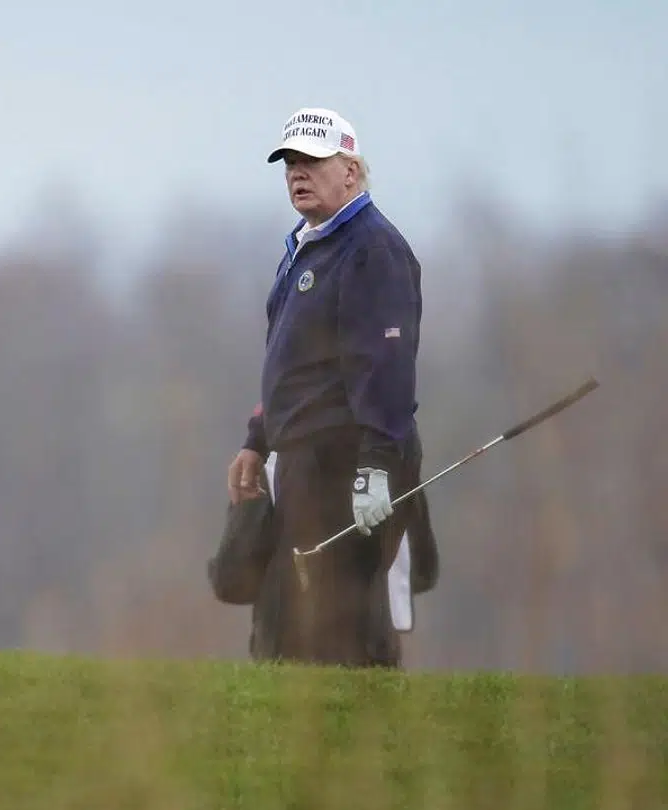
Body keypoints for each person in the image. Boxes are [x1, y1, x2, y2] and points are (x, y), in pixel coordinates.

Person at [224, 106, 435, 667]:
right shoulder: (306, 244)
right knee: (287, 623)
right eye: (290, 162)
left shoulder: (372, 249)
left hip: (349, 463)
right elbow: (294, 364)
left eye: (313, 161)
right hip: (302, 461)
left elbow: (386, 368)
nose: (298, 172)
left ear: (351, 169)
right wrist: (256, 439)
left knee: (344, 625)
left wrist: (376, 467)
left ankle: (367, 747)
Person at [208, 449, 438, 665]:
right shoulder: (392, 462)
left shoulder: (271, 463)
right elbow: (422, 572)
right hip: (374, 654)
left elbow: (232, 582)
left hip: (286, 656)